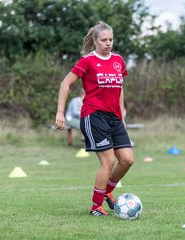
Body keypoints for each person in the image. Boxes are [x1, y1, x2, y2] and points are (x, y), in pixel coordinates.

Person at [55, 21, 134, 217]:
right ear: (95, 40)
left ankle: (107, 191)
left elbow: (120, 87)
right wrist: (60, 112)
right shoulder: (87, 61)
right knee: (107, 162)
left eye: (111, 39)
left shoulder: (118, 60)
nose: (108, 43)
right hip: (94, 115)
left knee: (127, 160)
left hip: (115, 117)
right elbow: (66, 83)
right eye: (104, 40)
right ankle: (96, 206)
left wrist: (122, 113)